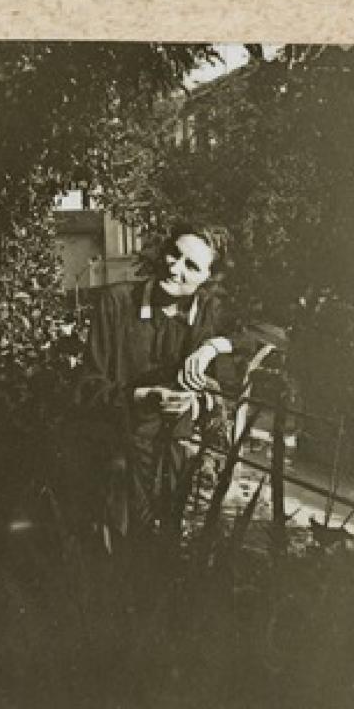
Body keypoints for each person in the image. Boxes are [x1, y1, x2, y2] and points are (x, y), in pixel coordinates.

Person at [69, 222, 233, 538]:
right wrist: (140, 396)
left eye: (191, 266)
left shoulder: (206, 312)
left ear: (208, 278)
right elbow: (87, 386)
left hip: (172, 455)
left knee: (164, 543)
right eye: (174, 253)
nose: (174, 267)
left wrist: (212, 348)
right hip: (117, 452)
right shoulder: (117, 301)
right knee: (117, 545)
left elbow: (261, 338)